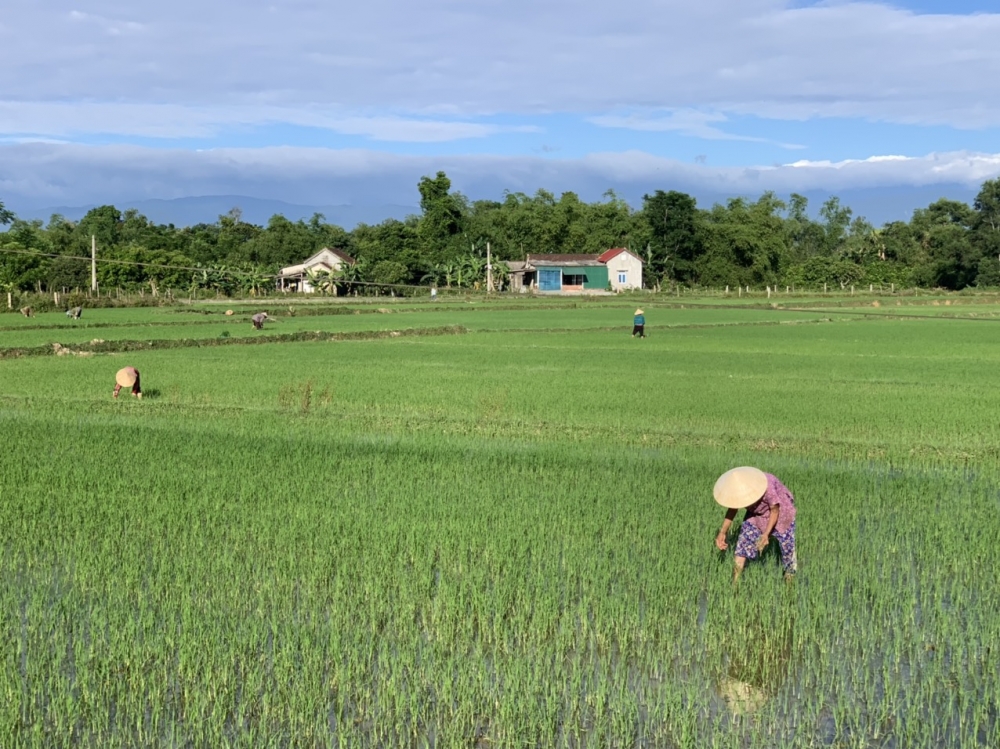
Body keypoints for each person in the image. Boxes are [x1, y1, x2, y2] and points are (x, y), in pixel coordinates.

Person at [713, 466, 797, 581]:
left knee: (787, 548)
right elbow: (732, 509)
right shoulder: (738, 491)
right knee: (743, 541)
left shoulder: (768, 486)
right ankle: (735, 583)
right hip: (756, 513)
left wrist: (766, 534)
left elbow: (775, 510)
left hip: (781, 513)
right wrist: (723, 532)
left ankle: (789, 580)